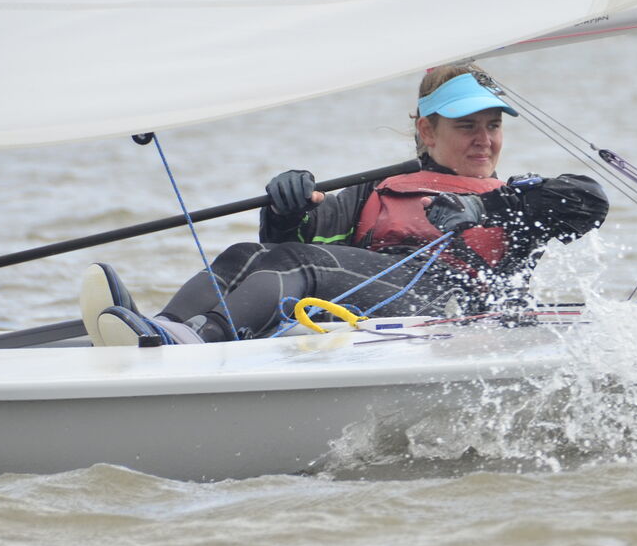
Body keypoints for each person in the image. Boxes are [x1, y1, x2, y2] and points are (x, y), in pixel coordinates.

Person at [81, 64, 609, 346]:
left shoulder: (518, 201)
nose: (484, 140)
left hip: (453, 313)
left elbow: (591, 202)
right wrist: (286, 209)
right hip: (375, 313)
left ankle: (195, 340)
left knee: (304, 264)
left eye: (492, 127)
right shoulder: (371, 192)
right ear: (427, 131)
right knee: (245, 252)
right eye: (466, 126)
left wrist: (487, 213)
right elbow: (282, 249)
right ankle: (160, 326)